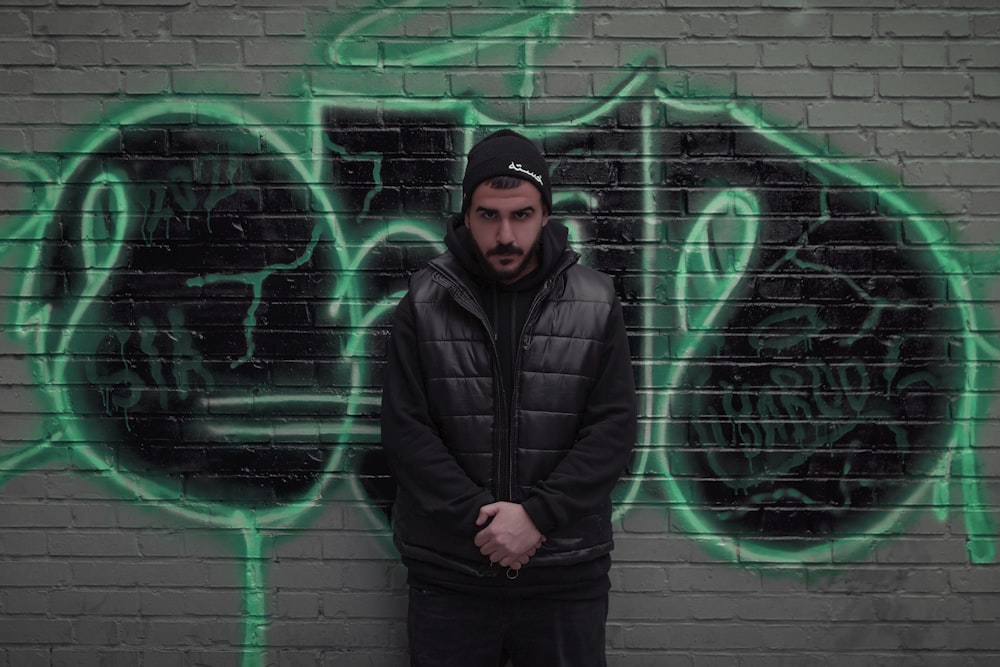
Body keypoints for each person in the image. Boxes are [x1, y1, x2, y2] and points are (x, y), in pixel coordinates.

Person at [380, 129, 637, 666]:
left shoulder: (595, 300)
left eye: (520, 215)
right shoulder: (424, 301)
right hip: (450, 574)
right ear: (465, 217)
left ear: (545, 215)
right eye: (488, 216)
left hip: (565, 575)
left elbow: (612, 429)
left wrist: (538, 516)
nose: (504, 234)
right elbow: (406, 430)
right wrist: (486, 523)